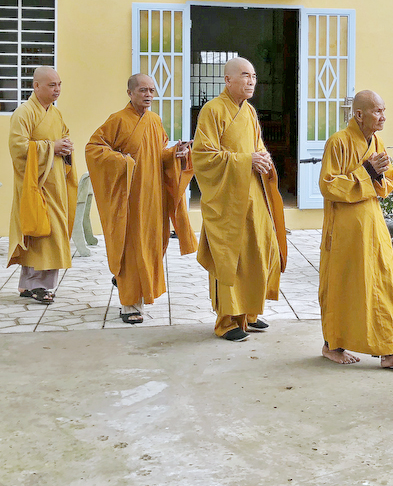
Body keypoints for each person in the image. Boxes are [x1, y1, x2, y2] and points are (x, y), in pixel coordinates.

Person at [85, 73, 196, 324]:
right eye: (143, 90)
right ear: (130, 93)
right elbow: (93, 149)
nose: (148, 95)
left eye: (152, 91)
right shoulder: (117, 120)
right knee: (131, 248)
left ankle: (132, 287)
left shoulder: (154, 121)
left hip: (153, 197)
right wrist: (121, 160)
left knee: (153, 245)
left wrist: (176, 153)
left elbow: (158, 155)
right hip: (129, 198)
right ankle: (130, 304)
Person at [318, 89, 393, 368]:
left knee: (384, 283)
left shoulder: (377, 142)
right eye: (377, 111)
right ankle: (332, 346)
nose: (383, 116)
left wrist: (379, 175)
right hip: (345, 227)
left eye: (384, 111)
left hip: (372, 222)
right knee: (344, 285)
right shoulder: (338, 142)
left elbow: (387, 182)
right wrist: (367, 172)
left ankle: (389, 351)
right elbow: (328, 186)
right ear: (359, 114)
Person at [192, 57, 287, 341]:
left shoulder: (250, 111)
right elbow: (203, 156)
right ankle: (226, 321)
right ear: (228, 80)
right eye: (245, 75)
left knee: (260, 250)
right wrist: (246, 160)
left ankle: (249, 312)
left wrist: (262, 159)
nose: (251, 81)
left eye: (254, 76)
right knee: (229, 257)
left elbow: (256, 147)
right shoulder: (212, 110)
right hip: (227, 199)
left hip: (254, 195)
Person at [7, 66, 78, 304]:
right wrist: (51, 147)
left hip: (55, 183)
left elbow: (64, 136)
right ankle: (40, 285)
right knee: (40, 231)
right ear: (36, 86)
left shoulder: (55, 114)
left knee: (47, 232)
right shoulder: (23, 113)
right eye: (51, 85)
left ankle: (29, 284)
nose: (57, 89)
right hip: (34, 184)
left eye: (59, 84)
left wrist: (65, 147)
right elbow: (18, 148)